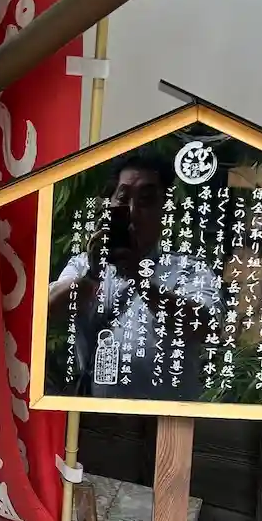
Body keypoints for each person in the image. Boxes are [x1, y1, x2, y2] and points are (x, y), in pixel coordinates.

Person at [47, 156, 221, 400]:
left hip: (166, 417)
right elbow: (46, 311)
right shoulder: (83, 264)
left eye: (146, 200)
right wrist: (93, 275)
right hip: (95, 415)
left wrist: (141, 279)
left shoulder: (189, 270)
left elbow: (207, 327)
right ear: (109, 204)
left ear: (164, 210)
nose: (132, 210)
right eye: (122, 197)